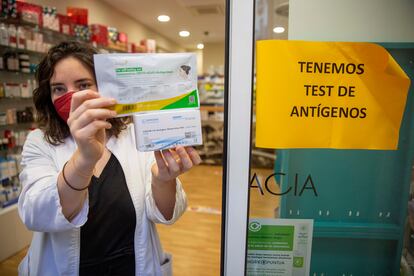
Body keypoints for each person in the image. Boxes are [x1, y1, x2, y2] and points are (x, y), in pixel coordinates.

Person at [17, 41, 201, 276]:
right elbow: (36, 214)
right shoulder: (39, 141)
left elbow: (165, 215)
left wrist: (163, 180)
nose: (72, 97)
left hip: (131, 266)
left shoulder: (135, 135)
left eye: (83, 84)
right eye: (59, 88)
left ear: (105, 86)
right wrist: (84, 158)